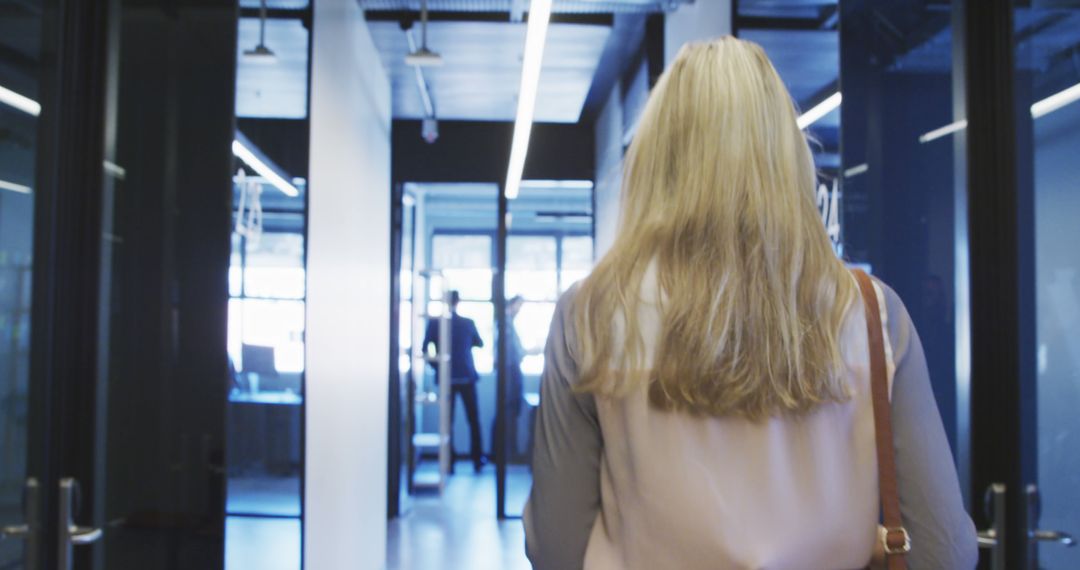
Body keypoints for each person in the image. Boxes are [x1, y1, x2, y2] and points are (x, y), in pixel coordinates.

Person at [524, 37, 978, 570]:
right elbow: (945, 552)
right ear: (787, 159)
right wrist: (861, 542)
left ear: (655, 162)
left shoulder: (591, 315)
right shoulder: (871, 315)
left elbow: (555, 548)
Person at [423, 290, 487, 473]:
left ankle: (449, 461)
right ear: (458, 301)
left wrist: (438, 368)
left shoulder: (435, 323)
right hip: (466, 376)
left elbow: (425, 350)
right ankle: (477, 459)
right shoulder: (467, 323)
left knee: (447, 422)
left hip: (448, 378)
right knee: (473, 420)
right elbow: (480, 343)